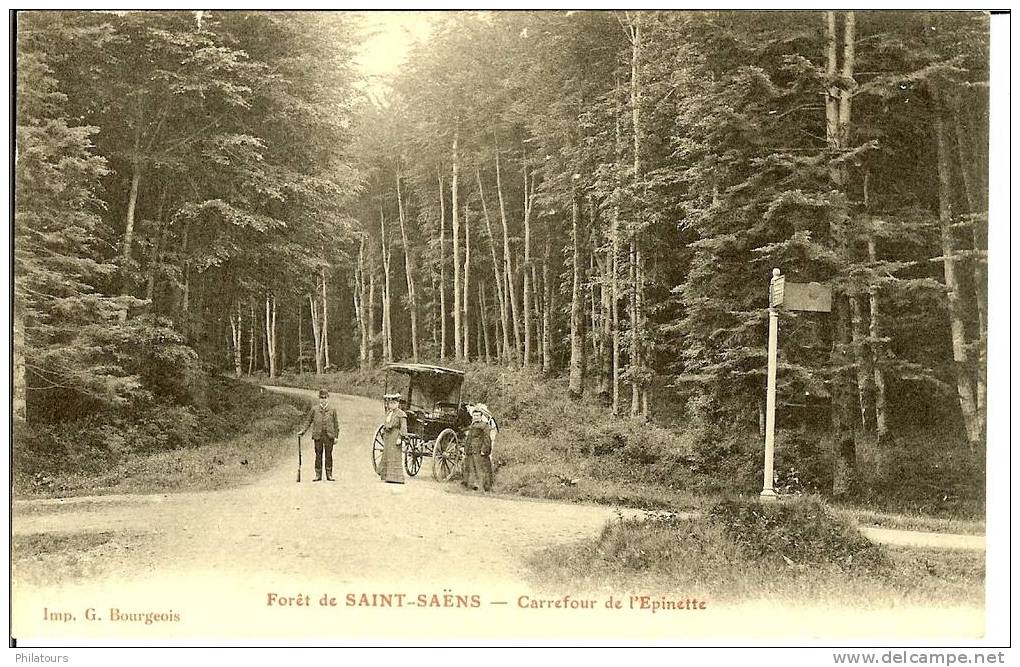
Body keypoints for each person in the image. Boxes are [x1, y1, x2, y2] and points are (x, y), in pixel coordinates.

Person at [298, 389, 339, 482]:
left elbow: (336, 424)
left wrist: (336, 436)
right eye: (321, 398)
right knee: (318, 454)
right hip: (318, 435)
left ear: (328, 398)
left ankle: (329, 474)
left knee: (329, 455)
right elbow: (308, 421)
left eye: (325, 398)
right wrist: (302, 431)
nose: (323, 400)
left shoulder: (332, 410)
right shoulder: (314, 409)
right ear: (319, 399)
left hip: (329, 435)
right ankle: (318, 475)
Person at [461, 404, 496, 491]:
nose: (476, 417)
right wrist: (466, 449)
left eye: (477, 415)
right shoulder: (473, 425)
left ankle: (482, 486)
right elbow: (469, 438)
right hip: (471, 450)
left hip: (479, 449)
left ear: (481, 416)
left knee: (480, 468)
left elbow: (487, 438)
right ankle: (471, 485)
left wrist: (484, 450)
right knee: (470, 467)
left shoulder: (484, 425)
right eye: (474, 415)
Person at [378, 393, 407, 484]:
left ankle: (397, 478)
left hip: (395, 435)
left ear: (398, 404)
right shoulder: (389, 413)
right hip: (388, 436)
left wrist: (400, 437)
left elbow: (403, 427)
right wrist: (383, 431)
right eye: (390, 403)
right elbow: (385, 423)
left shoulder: (401, 414)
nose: (392, 405)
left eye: (394, 403)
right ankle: (387, 476)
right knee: (387, 454)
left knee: (394, 455)